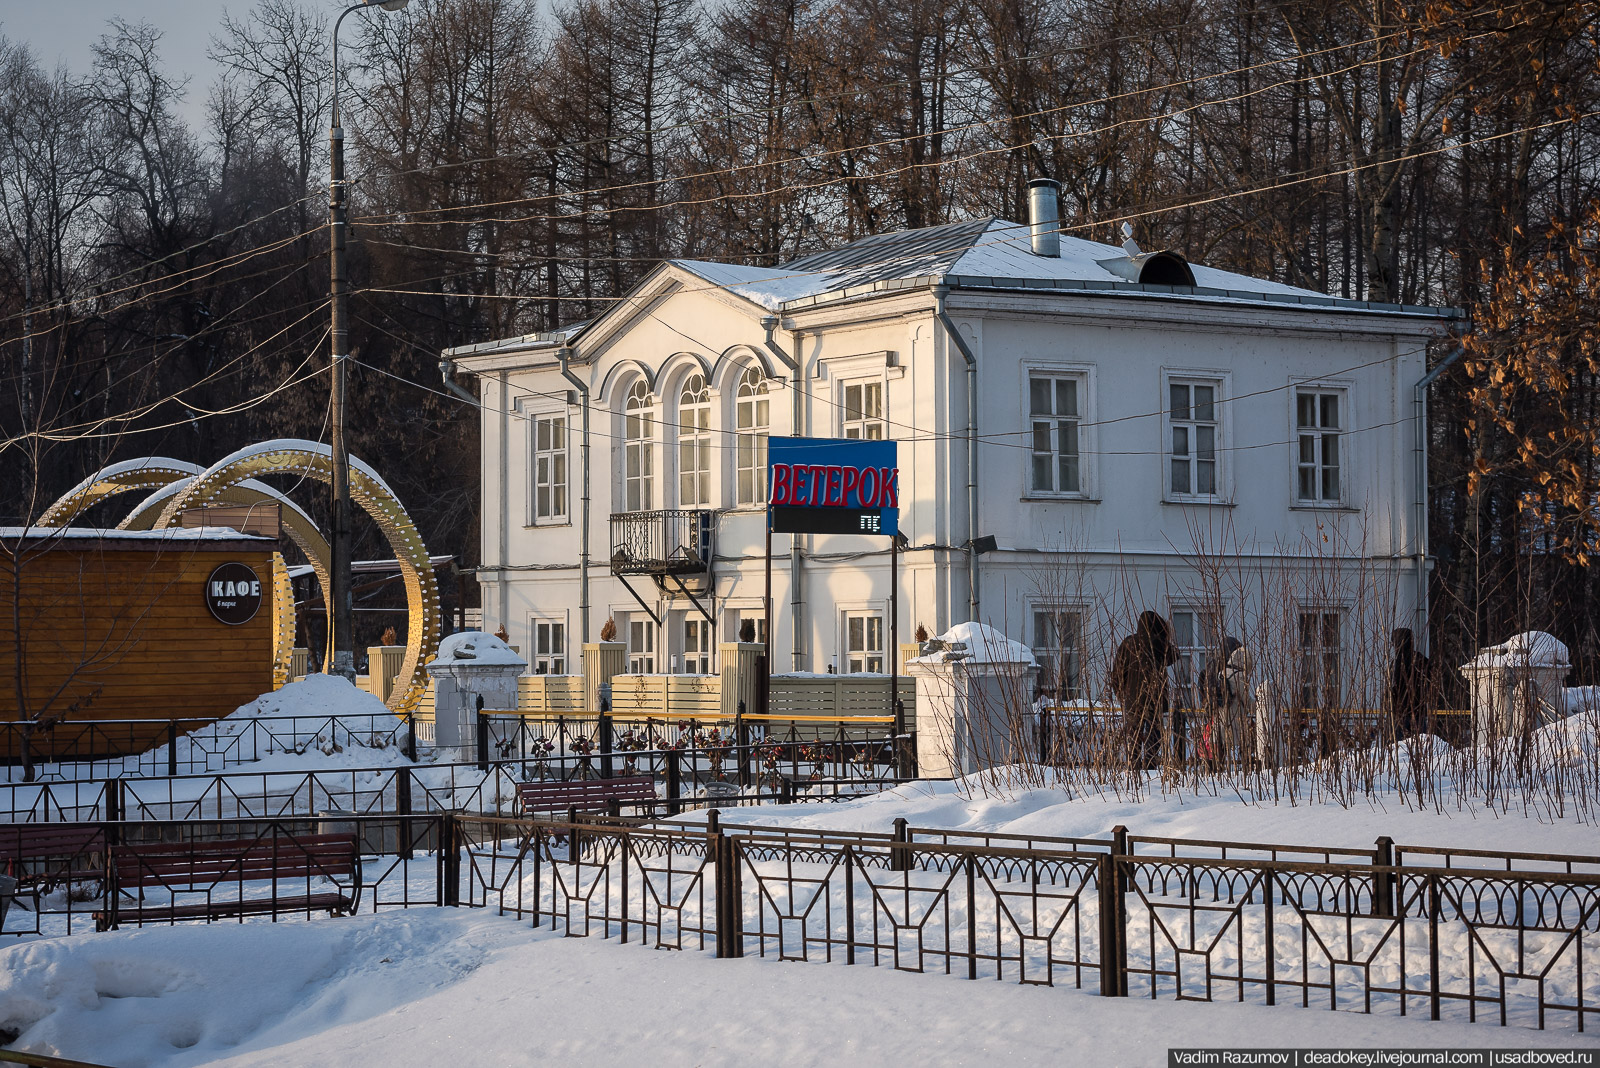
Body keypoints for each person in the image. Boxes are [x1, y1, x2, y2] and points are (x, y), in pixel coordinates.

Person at [1109, 611, 1179, 768]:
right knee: (1154, 734)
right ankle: (1151, 765)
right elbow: (1175, 655)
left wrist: (1122, 695)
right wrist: (1163, 638)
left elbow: (1116, 675)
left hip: (1132, 700)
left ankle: (1133, 766)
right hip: (1156, 698)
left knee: (1133, 735)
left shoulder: (1128, 643)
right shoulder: (1159, 644)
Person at [1388, 628, 1432, 739]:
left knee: (1398, 746)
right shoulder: (1420, 659)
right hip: (1418, 708)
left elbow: (1393, 684)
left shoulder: (1396, 662)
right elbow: (1431, 679)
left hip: (1400, 710)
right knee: (1421, 741)